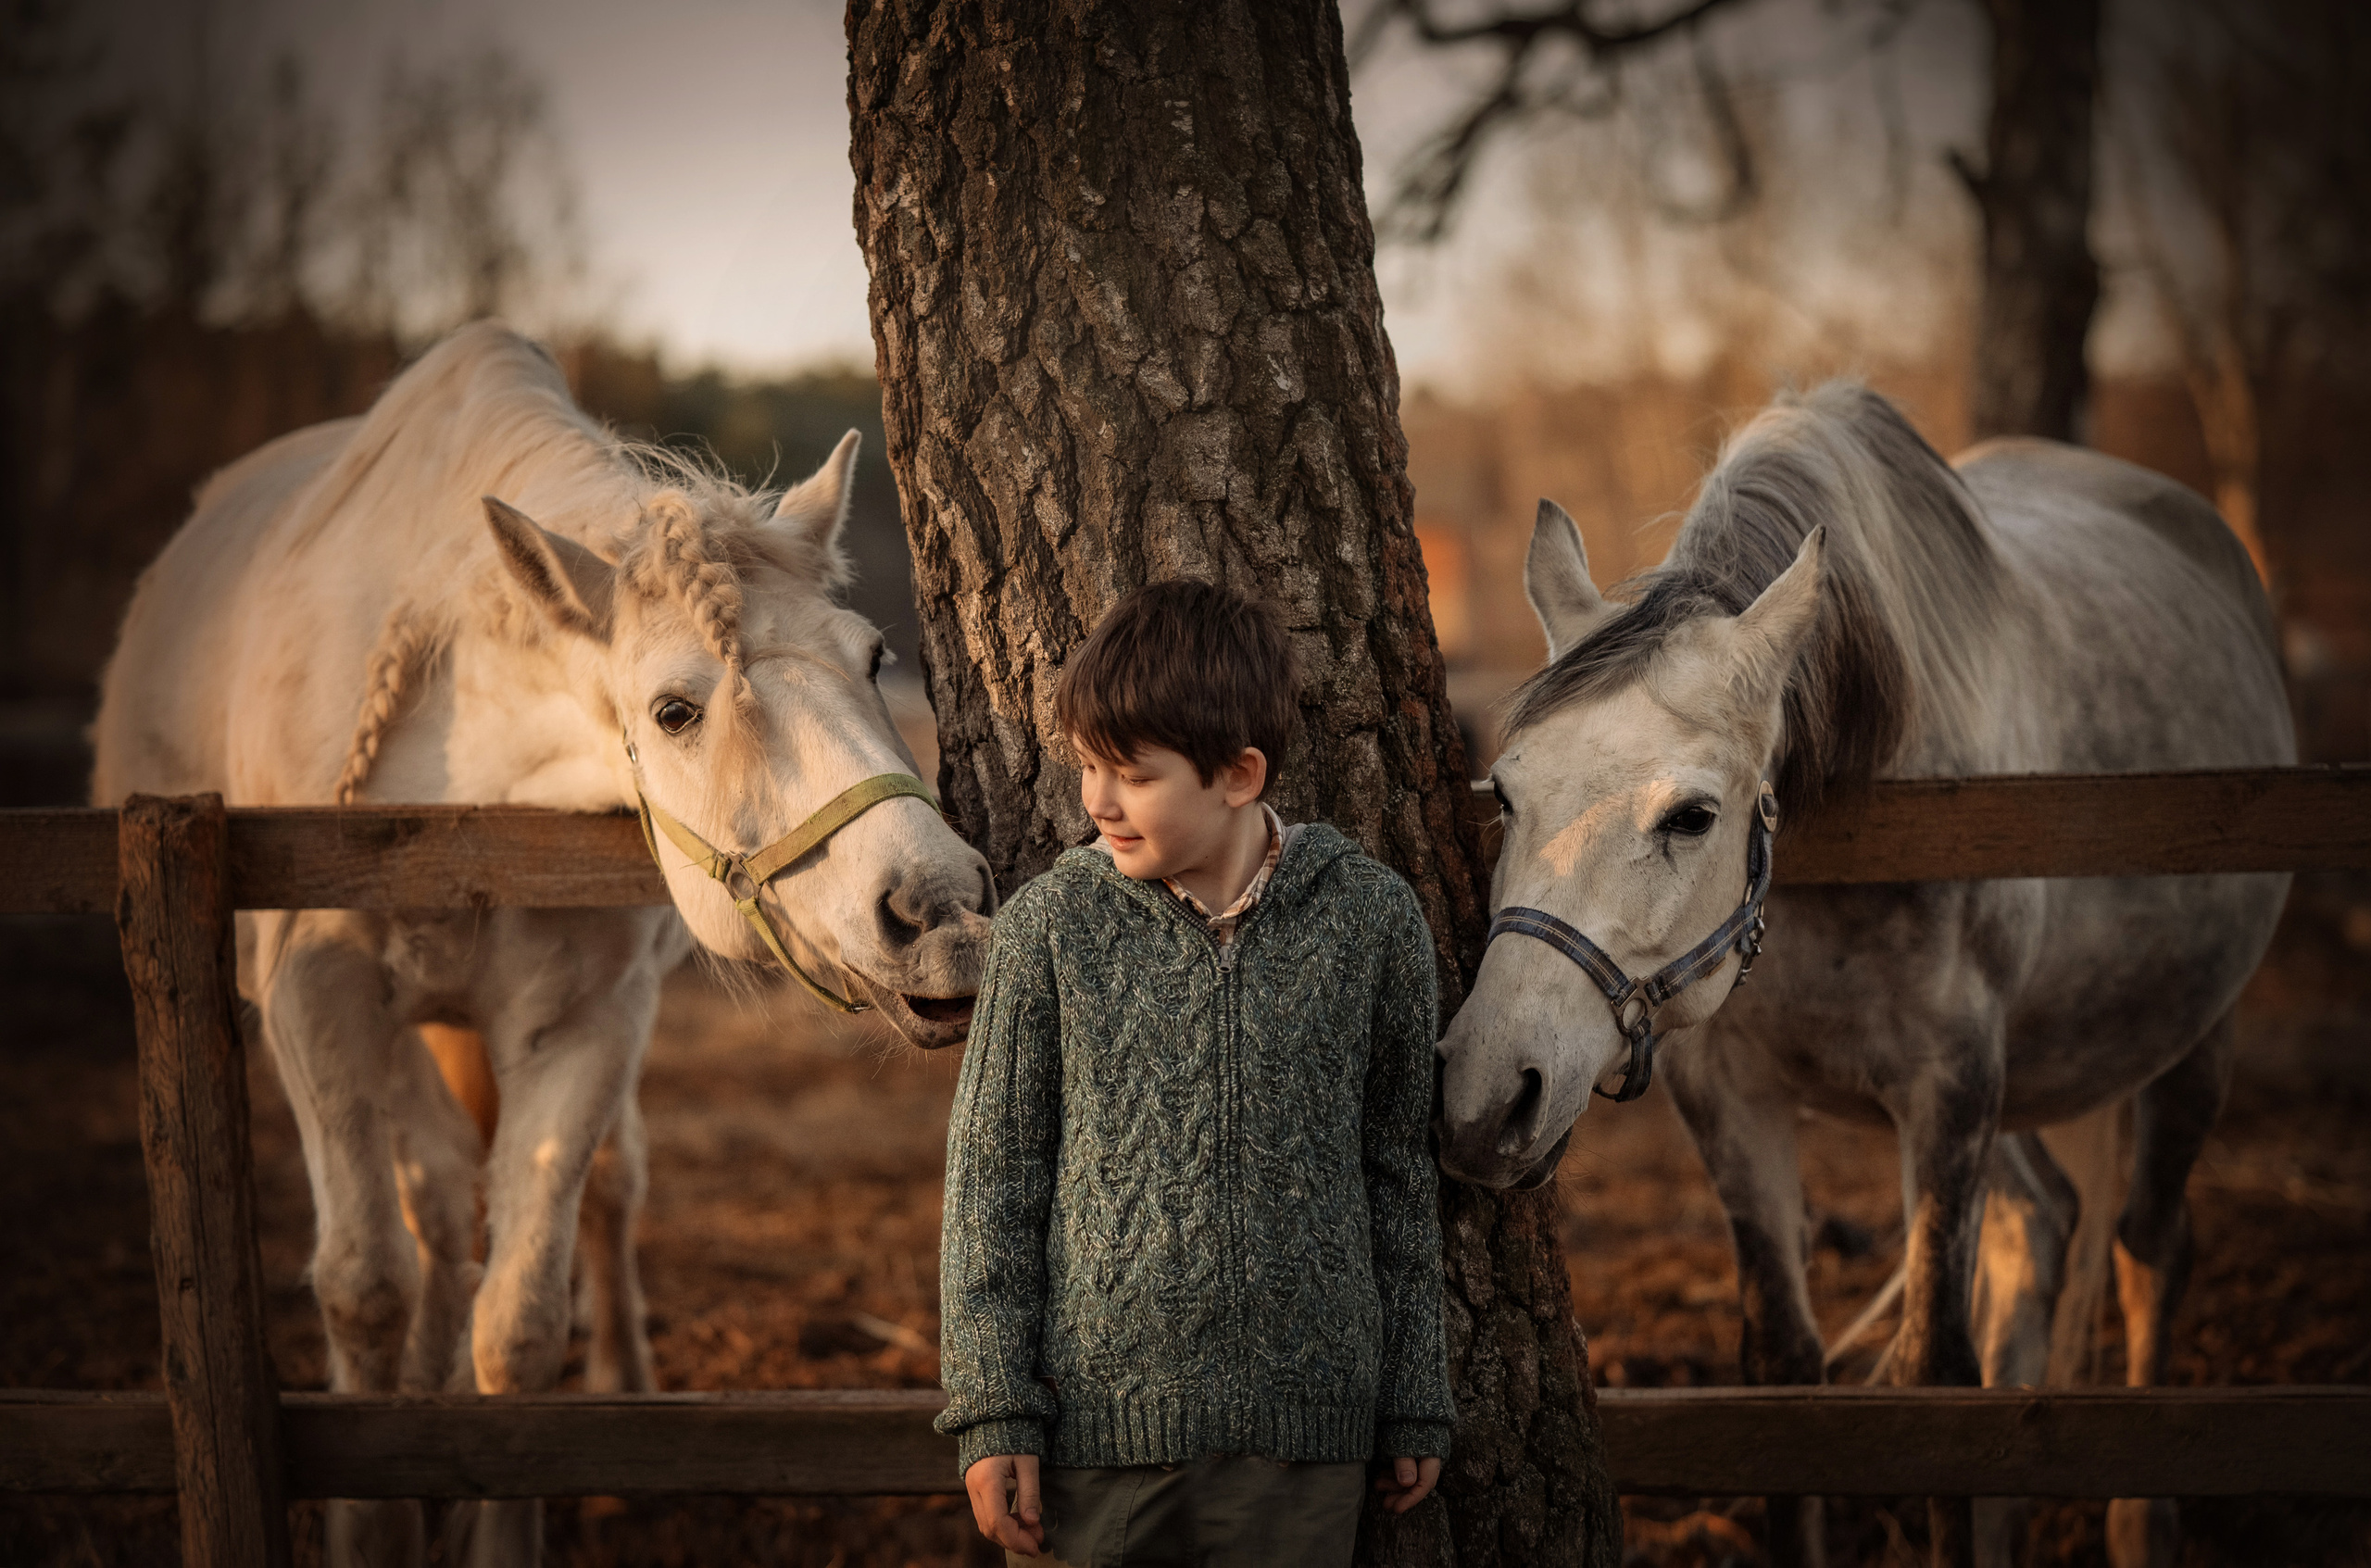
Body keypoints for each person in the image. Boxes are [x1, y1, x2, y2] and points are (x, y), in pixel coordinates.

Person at [935, 579, 1454, 1566]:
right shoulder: (1050, 929)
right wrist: (994, 1410)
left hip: (1301, 1452)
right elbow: (989, 1184)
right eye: (1086, 765)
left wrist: (1414, 1394)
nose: (1095, 801)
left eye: (1130, 774)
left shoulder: (1373, 923)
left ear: (1238, 774)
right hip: (1090, 1456)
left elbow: (1397, 1173)